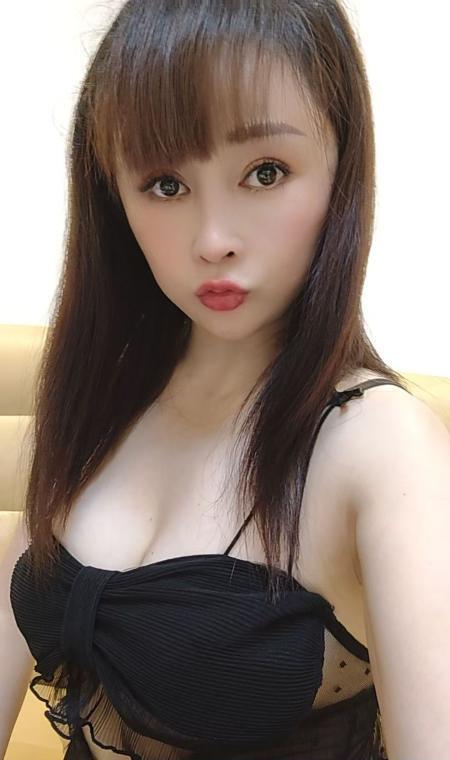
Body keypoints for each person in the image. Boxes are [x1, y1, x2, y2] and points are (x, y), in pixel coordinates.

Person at [2, 1, 449, 759]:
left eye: (265, 173)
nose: (213, 241)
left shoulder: (382, 447)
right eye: (164, 184)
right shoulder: (98, 399)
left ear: (341, 171)